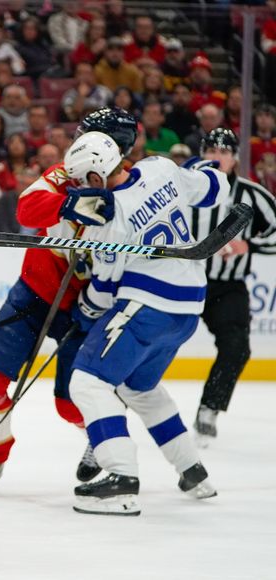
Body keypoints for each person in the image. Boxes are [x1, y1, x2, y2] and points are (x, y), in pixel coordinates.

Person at [0, 107, 139, 491]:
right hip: (36, 291)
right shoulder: (71, 170)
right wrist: (71, 204)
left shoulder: (136, 195)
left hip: (90, 307)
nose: (78, 140)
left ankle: (102, 438)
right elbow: (28, 206)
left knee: (70, 403)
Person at [64, 130, 229, 515]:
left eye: (81, 181)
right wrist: (202, 167)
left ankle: (121, 478)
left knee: (87, 380)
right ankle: (193, 469)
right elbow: (213, 188)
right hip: (187, 307)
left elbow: (104, 294)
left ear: (94, 177)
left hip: (147, 305)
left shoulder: (107, 219)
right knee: (141, 389)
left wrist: (83, 309)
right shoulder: (160, 168)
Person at [188, 129, 276, 445]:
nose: (216, 156)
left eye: (223, 151)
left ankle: (209, 408)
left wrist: (249, 245)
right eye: (210, 150)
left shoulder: (253, 196)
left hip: (226, 287)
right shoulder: (182, 188)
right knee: (150, 342)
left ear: (235, 157)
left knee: (237, 346)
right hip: (182, 280)